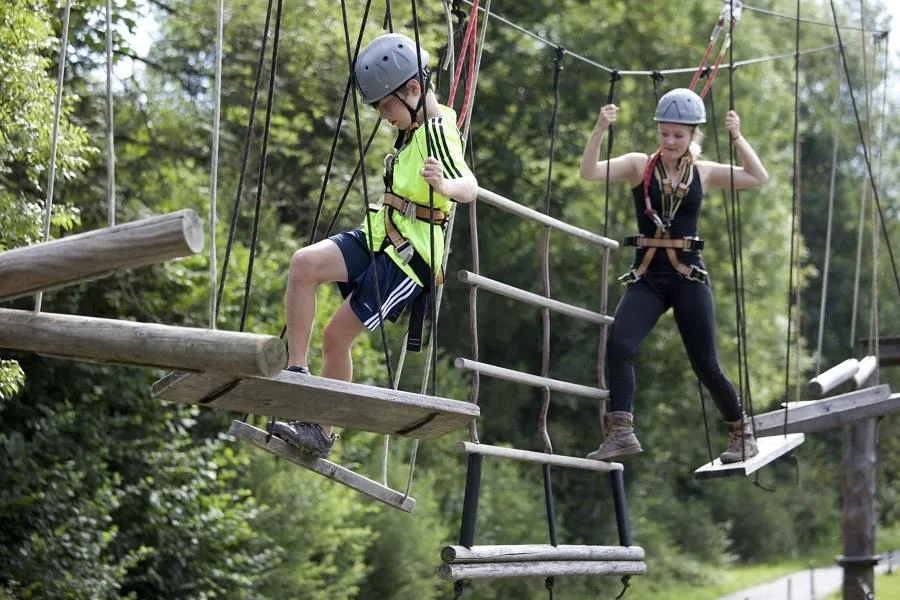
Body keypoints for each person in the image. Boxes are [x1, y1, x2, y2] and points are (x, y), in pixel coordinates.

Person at [272, 33, 478, 457]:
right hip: (379, 235)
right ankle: (296, 371)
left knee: (335, 337)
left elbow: (471, 187)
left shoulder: (439, 130)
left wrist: (446, 184)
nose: (384, 116)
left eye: (387, 105)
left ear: (415, 90)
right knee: (303, 265)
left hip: (407, 258)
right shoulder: (413, 128)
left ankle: (321, 432)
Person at [579, 88, 768, 463]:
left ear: (692, 136)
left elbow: (757, 177)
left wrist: (737, 137)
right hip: (649, 275)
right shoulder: (637, 166)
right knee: (620, 343)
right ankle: (621, 431)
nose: (669, 141)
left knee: (706, 363)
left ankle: (741, 432)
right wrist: (600, 130)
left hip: (688, 277)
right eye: (664, 133)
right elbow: (589, 173)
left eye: (678, 135)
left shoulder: (705, 172)